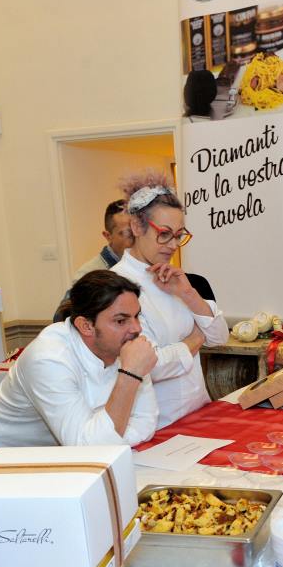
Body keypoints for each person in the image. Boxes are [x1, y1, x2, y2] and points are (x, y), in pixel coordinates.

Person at [0, 270, 158, 451]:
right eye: (121, 321)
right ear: (86, 326)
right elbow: (89, 449)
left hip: (55, 457)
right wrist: (129, 375)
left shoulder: (127, 348)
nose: (136, 328)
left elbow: (145, 422)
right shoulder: (48, 357)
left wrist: (108, 438)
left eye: (136, 316)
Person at [111, 171, 228, 427]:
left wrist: (188, 294)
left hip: (198, 412)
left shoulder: (173, 278)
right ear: (137, 227)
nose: (173, 245)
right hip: (159, 424)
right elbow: (147, 365)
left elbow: (220, 337)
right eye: (164, 234)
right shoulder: (116, 285)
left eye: (178, 235)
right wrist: (195, 339)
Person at [53, 200, 136, 322]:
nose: (136, 238)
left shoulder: (148, 266)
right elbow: (61, 317)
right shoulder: (89, 273)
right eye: (128, 233)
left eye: (139, 231)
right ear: (108, 236)